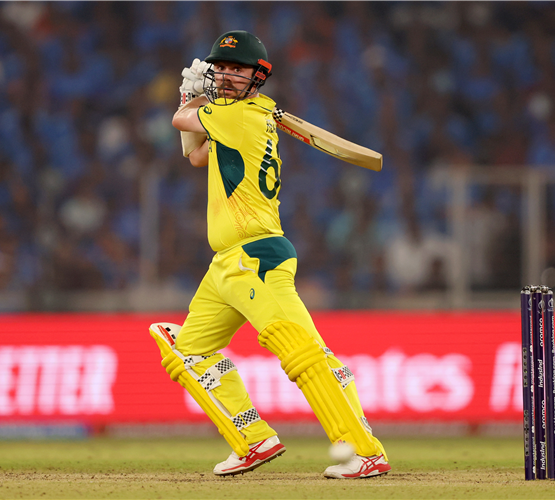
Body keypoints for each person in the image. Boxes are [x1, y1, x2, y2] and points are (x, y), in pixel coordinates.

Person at [150, 30, 390, 479]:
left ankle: (364, 450)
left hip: (256, 256)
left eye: (238, 69)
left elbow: (180, 122)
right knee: (189, 352)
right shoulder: (236, 116)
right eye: (221, 67)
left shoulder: (240, 116)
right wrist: (193, 100)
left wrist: (187, 97)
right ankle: (252, 438)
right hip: (225, 264)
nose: (225, 75)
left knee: (301, 354)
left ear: (257, 78)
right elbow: (197, 156)